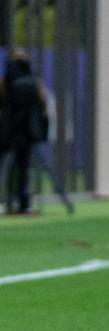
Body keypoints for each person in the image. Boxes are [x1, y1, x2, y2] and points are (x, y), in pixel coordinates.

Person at [0, 50, 47, 215]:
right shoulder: (34, 79)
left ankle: (6, 201)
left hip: (9, 131)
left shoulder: (6, 80)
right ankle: (23, 202)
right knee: (24, 168)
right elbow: (43, 102)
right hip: (28, 131)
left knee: (5, 167)